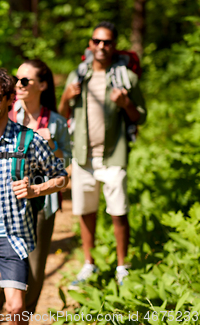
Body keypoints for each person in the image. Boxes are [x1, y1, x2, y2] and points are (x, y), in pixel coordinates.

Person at [0, 67, 68, 325]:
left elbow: (62, 177)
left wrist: (36, 190)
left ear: (9, 100)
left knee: (16, 306)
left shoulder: (28, 140)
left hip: (13, 235)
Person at [58, 21, 147, 287]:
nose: (101, 46)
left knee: (118, 212)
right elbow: (62, 117)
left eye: (107, 42)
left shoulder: (126, 79)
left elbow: (140, 117)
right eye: (97, 41)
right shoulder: (79, 76)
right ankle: (89, 265)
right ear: (90, 45)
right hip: (83, 158)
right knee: (86, 212)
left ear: (114, 46)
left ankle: (122, 267)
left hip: (113, 156)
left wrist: (126, 103)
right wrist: (65, 96)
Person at [10, 59, 71, 313]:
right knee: (4, 264)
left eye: (25, 81)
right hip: (7, 199)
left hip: (43, 201)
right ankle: (3, 310)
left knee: (35, 269)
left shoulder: (55, 122)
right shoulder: (8, 114)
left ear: (42, 85)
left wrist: (52, 144)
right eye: (17, 79)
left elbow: (66, 160)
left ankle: (25, 314)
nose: (18, 84)